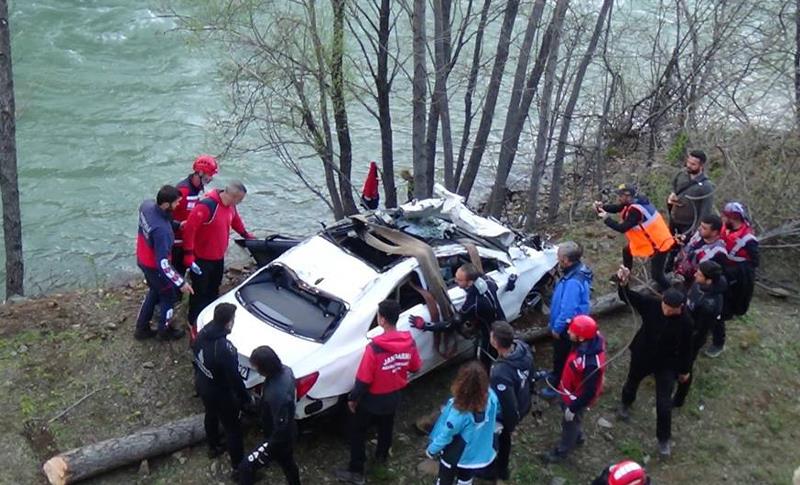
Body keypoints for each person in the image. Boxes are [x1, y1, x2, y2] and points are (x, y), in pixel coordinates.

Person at [335, 300, 422, 485]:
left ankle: (356, 471)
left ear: (381, 319)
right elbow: (415, 367)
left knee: (357, 431)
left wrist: (353, 399)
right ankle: (381, 457)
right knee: (386, 426)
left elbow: (364, 379)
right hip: (394, 396)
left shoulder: (374, 348)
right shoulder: (409, 342)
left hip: (372, 399)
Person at [615, 266, 693, 458]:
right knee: (632, 381)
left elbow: (687, 349)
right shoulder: (652, 304)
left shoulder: (687, 322)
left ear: (680, 307)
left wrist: (684, 370)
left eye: (670, 309)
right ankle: (625, 403)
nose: (665, 310)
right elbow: (628, 297)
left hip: (667, 364)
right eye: (664, 306)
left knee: (663, 403)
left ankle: (663, 439)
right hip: (643, 354)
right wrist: (623, 283)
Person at [182, 180, 256, 339]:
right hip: (201, 258)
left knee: (214, 288)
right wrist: (188, 254)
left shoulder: (231, 206)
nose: (240, 203)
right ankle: (192, 321)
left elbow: (235, 221)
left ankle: (209, 316)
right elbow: (189, 229)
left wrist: (246, 236)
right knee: (200, 292)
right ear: (234, 196)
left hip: (218, 257)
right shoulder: (206, 206)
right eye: (240, 199)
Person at [193, 303, 252, 478]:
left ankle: (213, 446)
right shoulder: (223, 348)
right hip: (220, 392)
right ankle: (239, 468)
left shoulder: (203, 333)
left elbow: (195, 354)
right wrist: (245, 398)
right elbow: (234, 378)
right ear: (228, 323)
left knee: (210, 414)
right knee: (233, 429)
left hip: (203, 383)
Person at [410, 263, 506, 368]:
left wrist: (425, 325)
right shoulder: (488, 281)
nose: (455, 281)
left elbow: (450, 325)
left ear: (470, 282)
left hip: (490, 335)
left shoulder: (472, 304)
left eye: (459, 280)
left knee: (485, 360)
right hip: (503, 324)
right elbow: (496, 288)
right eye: (455, 277)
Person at [542, 315, 607, 463]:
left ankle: (562, 451)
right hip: (568, 391)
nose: (568, 333)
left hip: (576, 399)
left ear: (581, 338)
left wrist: (573, 408)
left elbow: (589, 392)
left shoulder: (590, 364)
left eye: (572, 332)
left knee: (569, 424)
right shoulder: (585, 344)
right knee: (574, 421)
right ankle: (578, 435)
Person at [134, 185, 193, 341]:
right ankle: (164, 331)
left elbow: (159, 220)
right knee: (168, 296)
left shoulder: (146, 206)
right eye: (176, 203)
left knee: (154, 291)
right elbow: (163, 264)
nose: (178, 205)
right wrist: (181, 283)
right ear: (166, 204)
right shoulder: (163, 232)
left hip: (142, 257)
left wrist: (177, 225)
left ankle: (142, 328)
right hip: (154, 266)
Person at [426, 361, 500, 485]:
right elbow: (496, 412)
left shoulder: (459, 412)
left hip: (456, 453)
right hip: (477, 452)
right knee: (466, 477)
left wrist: (432, 450)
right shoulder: (491, 397)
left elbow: (446, 435)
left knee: (445, 478)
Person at [237, 346, 301, 485]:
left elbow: (281, 428)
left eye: (256, 366)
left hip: (278, 439)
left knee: (245, 467)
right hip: (289, 430)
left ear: (264, 367)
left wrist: (269, 446)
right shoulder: (286, 371)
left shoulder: (277, 395)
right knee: (288, 463)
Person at [595, 184, 675, 291]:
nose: (618, 198)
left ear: (628, 196)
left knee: (657, 276)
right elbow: (618, 208)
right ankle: (625, 275)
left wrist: (606, 218)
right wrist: (602, 207)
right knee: (627, 251)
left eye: (621, 195)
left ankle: (674, 296)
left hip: (658, 244)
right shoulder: (635, 201)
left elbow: (622, 228)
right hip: (651, 240)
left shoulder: (636, 211)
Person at [481, 321, 533, 482]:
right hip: (524, 400)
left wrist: (508, 426)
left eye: (491, 336)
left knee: (500, 440)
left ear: (495, 342)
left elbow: (508, 406)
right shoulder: (522, 348)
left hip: (508, 415)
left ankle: (496, 470)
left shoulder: (500, 374)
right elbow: (531, 374)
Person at [541, 241, 593, 399]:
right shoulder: (577, 271)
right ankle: (555, 373)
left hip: (568, 328)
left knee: (562, 356)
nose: (557, 259)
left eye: (558, 257)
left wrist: (557, 328)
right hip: (571, 324)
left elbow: (568, 310)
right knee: (560, 355)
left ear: (565, 259)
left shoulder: (572, 281)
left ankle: (557, 386)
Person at [672, 261, 726, 408]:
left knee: (686, 367)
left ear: (708, 280)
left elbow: (700, 330)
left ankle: (679, 398)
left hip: (691, 338)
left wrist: (686, 340)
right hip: (683, 326)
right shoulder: (700, 284)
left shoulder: (710, 305)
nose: (695, 274)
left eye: (699, 274)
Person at [709, 201, 759, 358]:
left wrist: (733, 272)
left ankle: (718, 343)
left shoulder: (748, 240)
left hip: (734, 279)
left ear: (733, 218)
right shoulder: (725, 229)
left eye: (725, 216)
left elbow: (754, 263)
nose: (722, 218)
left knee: (721, 311)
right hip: (719, 272)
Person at [172, 154, 219, 275]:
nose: (211, 178)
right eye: (210, 175)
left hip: (187, 238)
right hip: (176, 241)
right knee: (177, 273)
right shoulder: (183, 191)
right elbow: (166, 215)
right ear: (201, 173)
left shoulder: (198, 188)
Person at [667, 150, 714, 237]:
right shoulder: (681, 175)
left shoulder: (706, 186)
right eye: (688, 162)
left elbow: (705, 212)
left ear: (701, 166)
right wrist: (672, 196)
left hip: (689, 226)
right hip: (674, 221)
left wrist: (695, 232)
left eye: (693, 164)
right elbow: (673, 188)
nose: (689, 166)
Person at [673, 214, 728, 287]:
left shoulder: (718, 253)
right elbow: (688, 244)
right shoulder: (699, 235)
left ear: (714, 232)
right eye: (700, 225)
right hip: (678, 272)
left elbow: (712, 277)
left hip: (692, 284)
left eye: (704, 228)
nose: (699, 228)